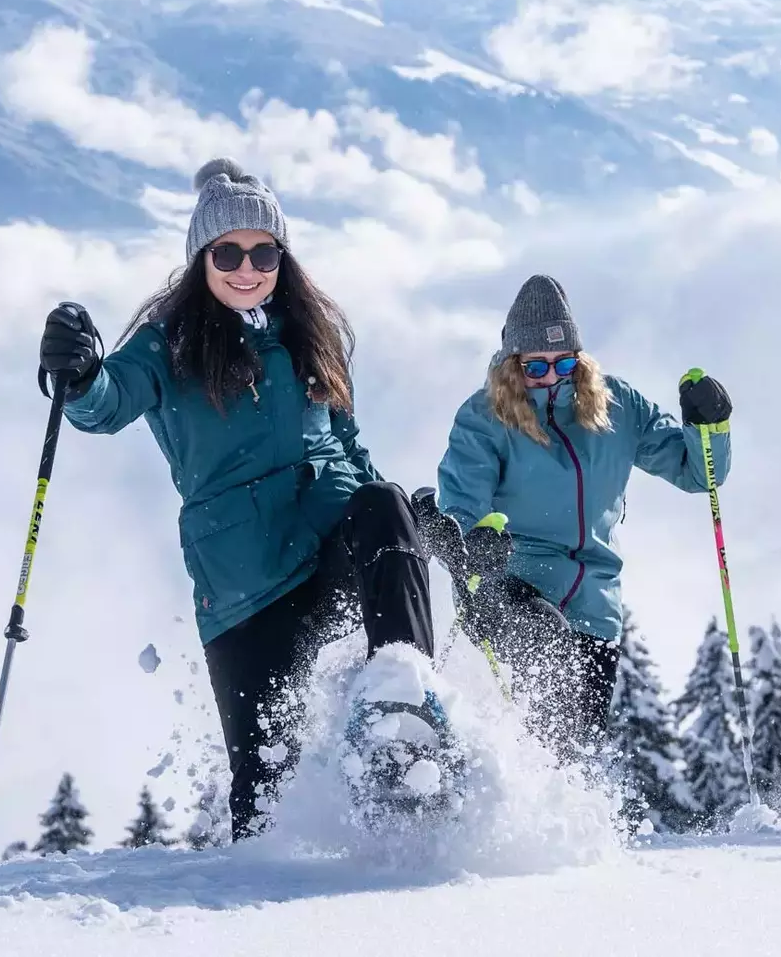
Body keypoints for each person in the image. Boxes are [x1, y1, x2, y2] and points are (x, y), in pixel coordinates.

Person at [37, 157, 441, 840]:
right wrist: (78, 376)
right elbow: (107, 405)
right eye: (228, 252)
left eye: (263, 252)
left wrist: (406, 527)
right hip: (246, 588)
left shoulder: (314, 338)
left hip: (327, 546)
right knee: (264, 811)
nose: (247, 267)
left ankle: (406, 720)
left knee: (384, 501)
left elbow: (351, 448)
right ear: (202, 258)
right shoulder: (168, 344)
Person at [432, 274, 733, 761]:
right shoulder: (484, 417)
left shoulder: (619, 407)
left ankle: (554, 831)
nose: (551, 376)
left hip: (595, 606)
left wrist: (709, 427)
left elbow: (697, 474)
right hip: (507, 584)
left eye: (564, 363)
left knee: (573, 752)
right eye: (535, 367)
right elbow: (461, 502)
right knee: (546, 685)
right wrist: (473, 539)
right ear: (512, 363)